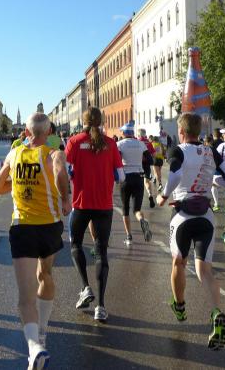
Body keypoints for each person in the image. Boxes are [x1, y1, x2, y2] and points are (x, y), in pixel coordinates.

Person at [0, 113, 71, 370]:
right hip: (49, 226)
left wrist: (15, 181)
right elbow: (60, 173)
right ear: (48, 133)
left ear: (26, 133)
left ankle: (34, 346)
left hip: (22, 227)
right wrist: (66, 198)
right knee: (45, 275)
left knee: (25, 298)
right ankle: (42, 332)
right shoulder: (53, 153)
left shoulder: (14, 154)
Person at [156, 113, 225, 350]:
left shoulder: (177, 150)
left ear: (181, 131)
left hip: (183, 215)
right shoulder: (211, 151)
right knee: (205, 271)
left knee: (178, 263)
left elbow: (176, 174)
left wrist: (164, 195)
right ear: (199, 131)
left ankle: (179, 306)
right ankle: (216, 312)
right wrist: (213, 183)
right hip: (206, 215)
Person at [65, 107, 124, 323]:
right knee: (101, 252)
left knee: (75, 245)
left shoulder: (74, 142)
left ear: (84, 121)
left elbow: (66, 171)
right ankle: (101, 306)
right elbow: (120, 176)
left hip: (81, 204)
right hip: (104, 206)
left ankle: (85, 287)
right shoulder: (110, 143)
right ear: (101, 121)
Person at [116, 121, 153, 245]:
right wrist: (140, 161)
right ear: (132, 133)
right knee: (137, 209)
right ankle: (142, 220)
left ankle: (129, 237)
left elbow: (116, 161)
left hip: (126, 178)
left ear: (124, 133)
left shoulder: (119, 144)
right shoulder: (141, 144)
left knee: (125, 209)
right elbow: (150, 160)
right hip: (139, 177)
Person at [137, 129, 156, 207]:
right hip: (147, 165)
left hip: (139, 164)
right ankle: (150, 194)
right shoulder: (149, 142)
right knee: (147, 181)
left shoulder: (137, 142)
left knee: (139, 181)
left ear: (139, 135)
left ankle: (138, 200)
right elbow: (154, 154)